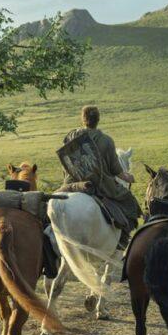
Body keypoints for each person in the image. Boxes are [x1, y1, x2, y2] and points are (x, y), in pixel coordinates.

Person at [60, 106, 141, 248]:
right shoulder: (106, 140)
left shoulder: (70, 136)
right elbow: (116, 170)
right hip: (99, 184)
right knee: (130, 203)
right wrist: (128, 177)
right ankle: (121, 242)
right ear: (98, 120)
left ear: (83, 119)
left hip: (72, 182)